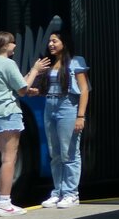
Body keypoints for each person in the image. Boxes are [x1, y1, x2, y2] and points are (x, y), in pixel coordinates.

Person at [0, 31, 46, 216]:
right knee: (10, 159)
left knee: (4, 159)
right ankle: (5, 203)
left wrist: (26, 86)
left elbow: (15, 88)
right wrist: (35, 70)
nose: (15, 46)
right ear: (5, 45)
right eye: (12, 43)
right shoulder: (8, 64)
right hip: (8, 114)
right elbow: (23, 90)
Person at [34, 31, 90, 209]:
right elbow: (47, 87)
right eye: (49, 41)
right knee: (55, 152)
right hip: (49, 106)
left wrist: (80, 116)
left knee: (69, 152)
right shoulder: (49, 63)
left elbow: (84, 90)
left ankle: (71, 193)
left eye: (54, 41)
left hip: (68, 107)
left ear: (63, 43)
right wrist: (34, 91)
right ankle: (57, 192)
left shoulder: (76, 61)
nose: (51, 44)